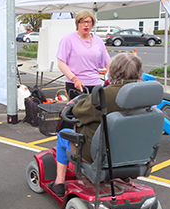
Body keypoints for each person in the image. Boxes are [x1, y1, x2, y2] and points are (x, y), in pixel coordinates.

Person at [49, 53, 143, 197]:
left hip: (97, 154)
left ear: (114, 71)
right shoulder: (144, 95)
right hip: (132, 153)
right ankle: (123, 175)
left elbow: (79, 112)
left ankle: (59, 182)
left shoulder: (104, 95)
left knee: (63, 135)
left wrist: (76, 103)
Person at [57, 10, 110, 99]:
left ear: (92, 24)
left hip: (95, 84)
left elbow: (108, 62)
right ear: (77, 24)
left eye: (88, 22)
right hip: (76, 84)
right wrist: (75, 79)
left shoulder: (98, 40)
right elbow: (61, 63)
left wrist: (116, 77)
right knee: (77, 111)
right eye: (82, 22)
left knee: (96, 111)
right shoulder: (68, 39)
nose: (86, 25)